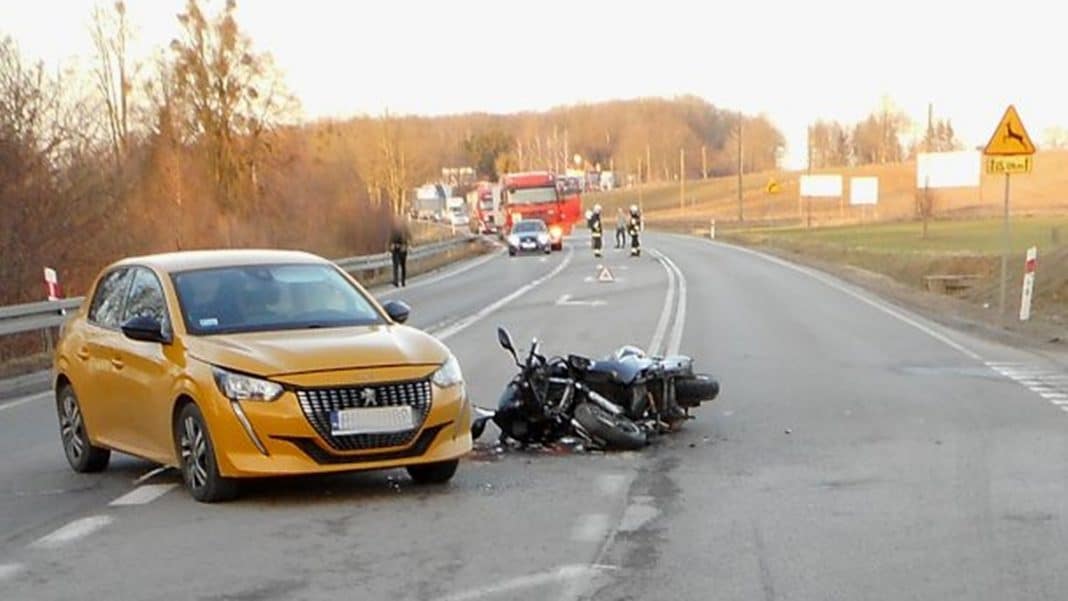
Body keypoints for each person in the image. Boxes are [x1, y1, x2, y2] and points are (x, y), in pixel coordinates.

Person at [388, 214, 410, 287]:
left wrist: (405, 245)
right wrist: (390, 246)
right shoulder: (394, 229)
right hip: (396, 249)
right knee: (396, 266)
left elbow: (408, 238)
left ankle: (402, 281)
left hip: (402, 249)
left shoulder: (404, 228)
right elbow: (390, 238)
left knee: (401, 266)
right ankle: (396, 281)